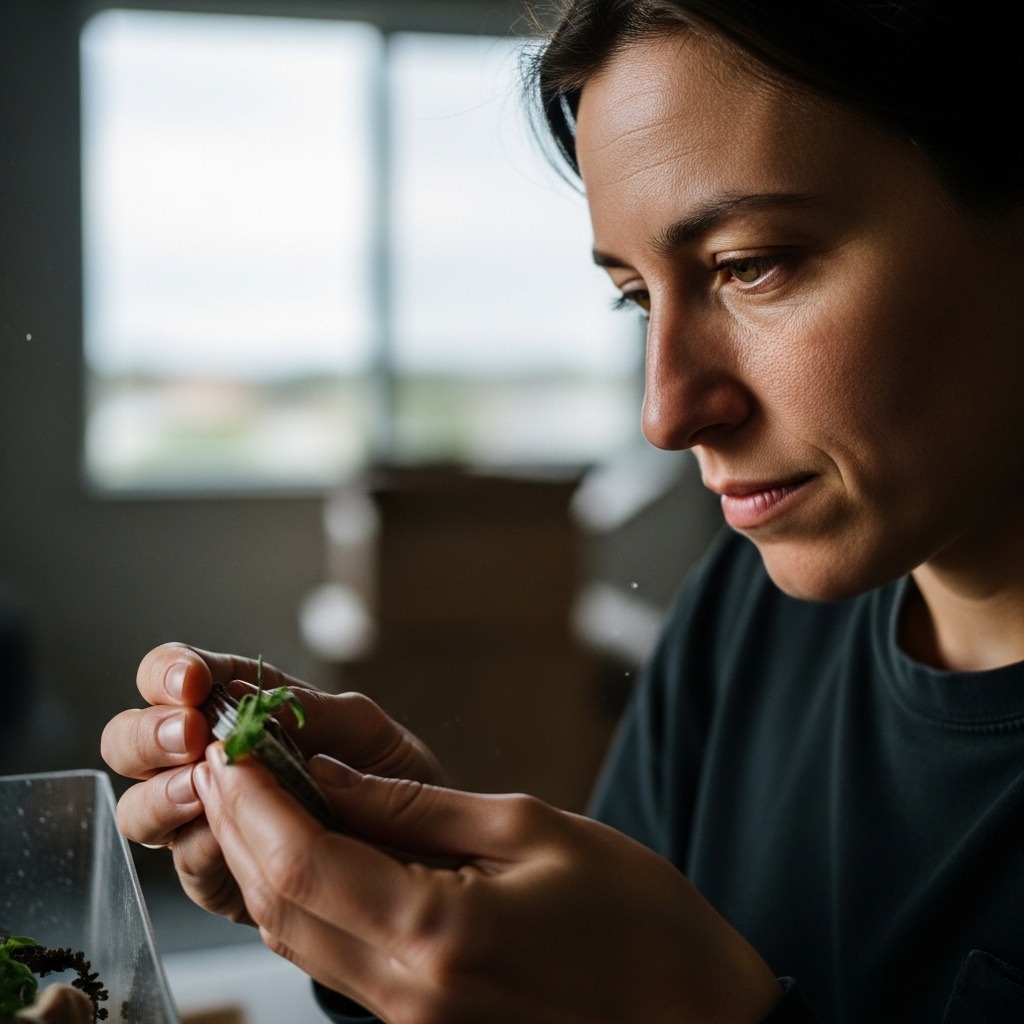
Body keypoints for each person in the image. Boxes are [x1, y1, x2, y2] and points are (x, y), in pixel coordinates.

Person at [101, 1, 1024, 1021]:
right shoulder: (746, 616)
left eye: (749, 264)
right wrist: (417, 917)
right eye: (635, 296)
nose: (664, 412)